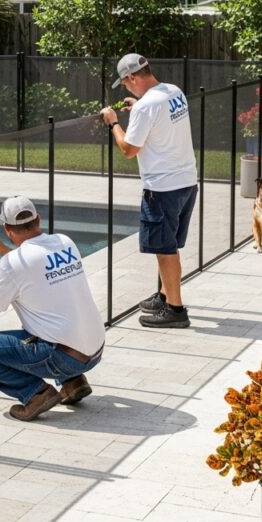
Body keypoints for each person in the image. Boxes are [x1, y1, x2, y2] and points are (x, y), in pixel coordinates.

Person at [0, 195, 105, 422]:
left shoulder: (12, 264)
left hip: (64, 358)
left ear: (7, 228)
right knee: (43, 317)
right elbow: (33, 267)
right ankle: (74, 382)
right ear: (38, 219)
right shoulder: (65, 241)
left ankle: (36, 394)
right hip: (95, 350)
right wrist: (2, 249)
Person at [100, 53, 197, 329]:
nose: (126, 88)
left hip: (162, 189)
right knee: (170, 245)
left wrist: (113, 122)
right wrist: (139, 107)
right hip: (187, 182)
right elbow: (159, 120)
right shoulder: (173, 92)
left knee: (165, 250)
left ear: (132, 77)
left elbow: (129, 149)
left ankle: (175, 310)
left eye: (125, 83)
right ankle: (165, 296)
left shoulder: (146, 107)